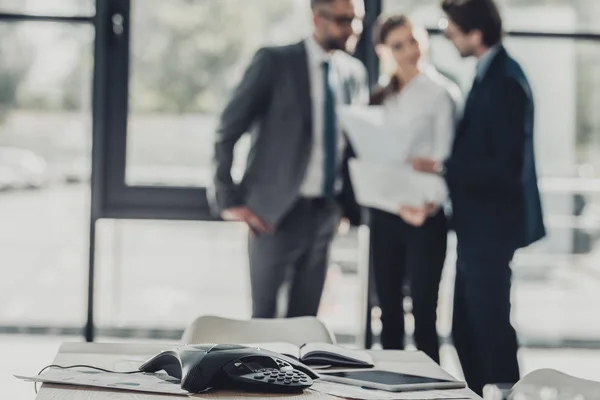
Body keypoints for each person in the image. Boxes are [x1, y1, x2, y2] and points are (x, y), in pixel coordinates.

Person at [409, 0, 546, 394]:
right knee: (467, 332)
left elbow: (505, 168)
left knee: (489, 330)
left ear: (475, 33)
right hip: (477, 229)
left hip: (491, 230)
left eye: (451, 28)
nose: (447, 36)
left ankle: (506, 394)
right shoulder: (488, 74)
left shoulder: (505, 80)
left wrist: (442, 168)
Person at [209, 0, 369, 319]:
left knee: (305, 325)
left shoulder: (353, 73)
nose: (352, 28)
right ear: (316, 19)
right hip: (274, 214)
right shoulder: (275, 62)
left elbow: (352, 147)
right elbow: (228, 129)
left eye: (357, 19)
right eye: (343, 19)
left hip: (326, 212)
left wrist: (346, 207)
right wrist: (229, 199)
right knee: (265, 323)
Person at [368, 14, 460, 364]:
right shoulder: (379, 97)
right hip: (387, 213)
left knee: (424, 312)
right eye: (398, 45)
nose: (409, 51)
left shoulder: (442, 93)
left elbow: (444, 160)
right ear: (384, 51)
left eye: (414, 40)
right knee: (388, 313)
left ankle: (429, 389)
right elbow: (374, 163)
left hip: (426, 214)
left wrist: (425, 199)